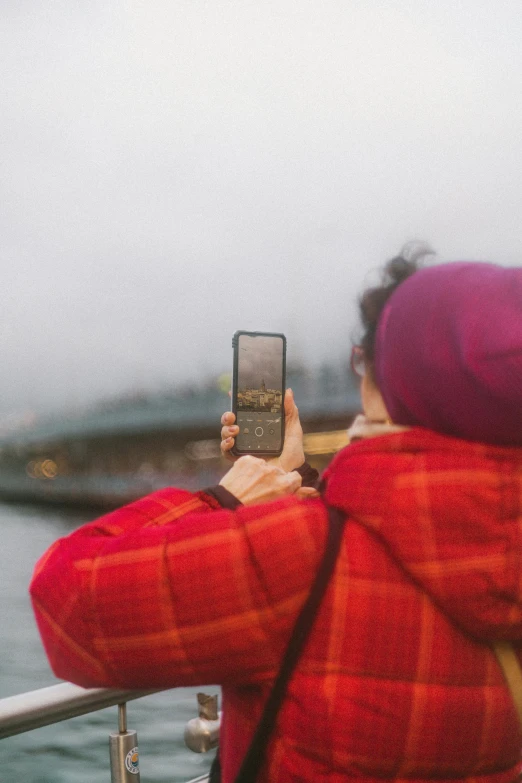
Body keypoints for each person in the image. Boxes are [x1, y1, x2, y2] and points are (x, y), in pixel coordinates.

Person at [30, 250, 522, 783]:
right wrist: (297, 480)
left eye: (367, 361)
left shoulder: (300, 558)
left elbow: (70, 607)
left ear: (391, 383)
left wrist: (227, 499)